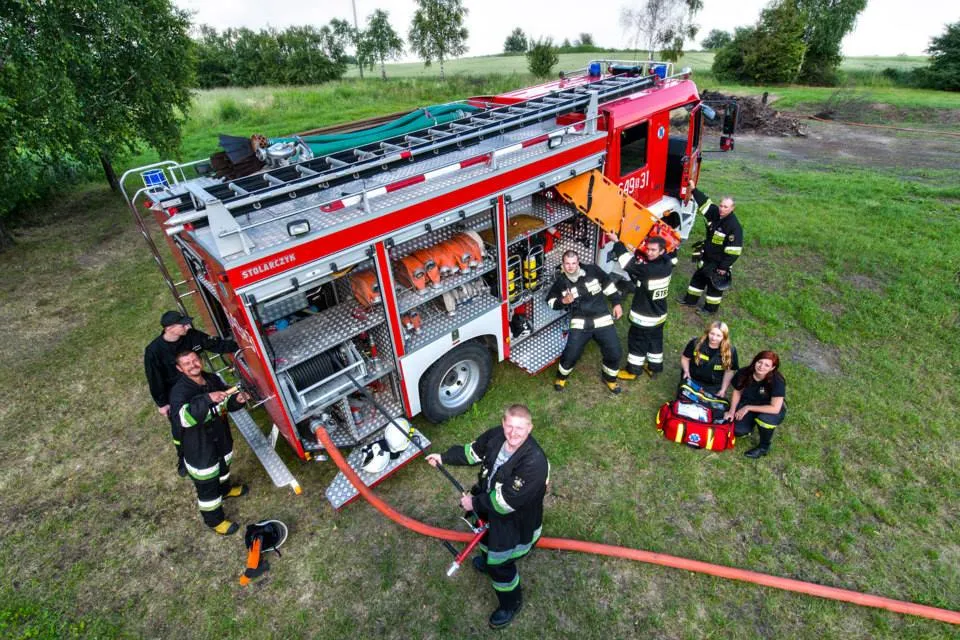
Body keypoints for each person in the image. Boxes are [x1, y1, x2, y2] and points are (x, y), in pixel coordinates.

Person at [425, 404, 548, 629]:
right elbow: (472, 451)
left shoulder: (535, 463)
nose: (513, 433)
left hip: (514, 524)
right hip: (487, 507)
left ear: (530, 428)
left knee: (500, 564)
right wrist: (443, 457)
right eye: (509, 426)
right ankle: (485, 558)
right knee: (482, 534)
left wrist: (473, 502)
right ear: (503, 424)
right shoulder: (496, 436)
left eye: (520, 428)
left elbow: (505, 503)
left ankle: (511, 603)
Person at [144, 310, 238, 476]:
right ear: (169, 328)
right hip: (176, 394)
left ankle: (216, 451)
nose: (188, 326)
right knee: (181, 427)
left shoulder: (192, 336)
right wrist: (162, 403)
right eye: (183, 324)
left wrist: (240, 345)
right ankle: (183, 458)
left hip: (197, 385)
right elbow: (154, 378)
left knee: (208, 418)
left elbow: (215, 345)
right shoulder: (154, 351)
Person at [169, 350, 251, 535]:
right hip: (199, 448)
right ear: (179, 369)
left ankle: (225, 490)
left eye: (194, 360)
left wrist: (237, 400)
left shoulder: (212, 379)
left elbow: (225, 403)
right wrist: (207, 398)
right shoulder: (179, 392)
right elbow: (183, 419)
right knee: (207, 487)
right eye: (186, 363)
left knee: (223, 468)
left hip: (220, 439)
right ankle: (215, 521)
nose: (193, 365)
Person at [545, 250, 624, 394]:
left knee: (615, 352)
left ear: (578, 262)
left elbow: (607, 284)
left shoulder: (592, 270)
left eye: (573, 263)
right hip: (580, 321)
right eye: (567, 264)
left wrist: (616, 303)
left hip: (601, 318)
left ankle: (610, 379)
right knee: (571, 353)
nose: (570, 267)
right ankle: (561, 378)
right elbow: (550, 301)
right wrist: (563, 301)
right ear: (562, 265)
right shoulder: (561, 283)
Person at [608, 236, 673, 380]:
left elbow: (627, 264)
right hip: (660, 313)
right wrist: (638, 251)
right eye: (648, 249)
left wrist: (617, 242)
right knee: (655, 340)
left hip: (645, 316)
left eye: (653, 250)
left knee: (637, 342)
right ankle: (654, 367)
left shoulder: (648, 270)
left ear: (662, 251)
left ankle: (633, 370)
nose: (649, 253)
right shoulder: (667, 263)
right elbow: (642, 264)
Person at [678, 187, 743, 314]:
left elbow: (734, 251)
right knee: (698, 278)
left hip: (718, 263)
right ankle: (690, 300)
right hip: (706, 257)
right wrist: (693, 190)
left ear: (732, 208)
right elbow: (705, 203)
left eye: (726, 207)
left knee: (714, 287)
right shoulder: (716, 213)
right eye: (721, 205)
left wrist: (723, 268)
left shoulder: (734, 227)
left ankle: (710, 309)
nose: (722, 209)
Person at [724, 351, 787, 459]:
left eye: (767, 365)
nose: (761, 367)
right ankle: (750, 424)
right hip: (748, 403)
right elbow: (737, 391)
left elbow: (775, 408)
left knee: (765, 420)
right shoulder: (744, 372)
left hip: (768, 408)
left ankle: (763, 447)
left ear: (772, 368)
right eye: (760, 362)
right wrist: (732, 411)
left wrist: (748, 408)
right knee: (737, 431)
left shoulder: (777, 381)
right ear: (755, 361)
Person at [680, 321, 739, 397]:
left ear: (724, 337)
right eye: (712, 333)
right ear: (708, 332)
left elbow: (729, 372)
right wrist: (686, 371)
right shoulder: (695, 343)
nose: (714, 338)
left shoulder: (731, 351)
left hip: (713, 385)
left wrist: (723, 389)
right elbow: (685, 358)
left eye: (718, 336)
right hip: (692, 379)